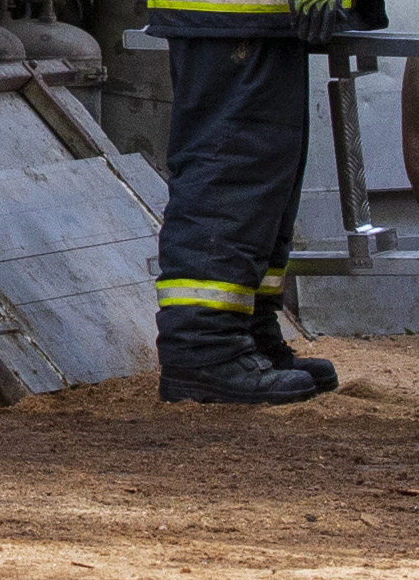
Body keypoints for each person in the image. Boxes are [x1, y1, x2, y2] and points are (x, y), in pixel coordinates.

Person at [148, 0, 385, 403]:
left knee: (262, 180)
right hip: (239, 17)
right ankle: (204, 347)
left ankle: (246, 331)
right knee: (232, 172)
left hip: (261, 19)